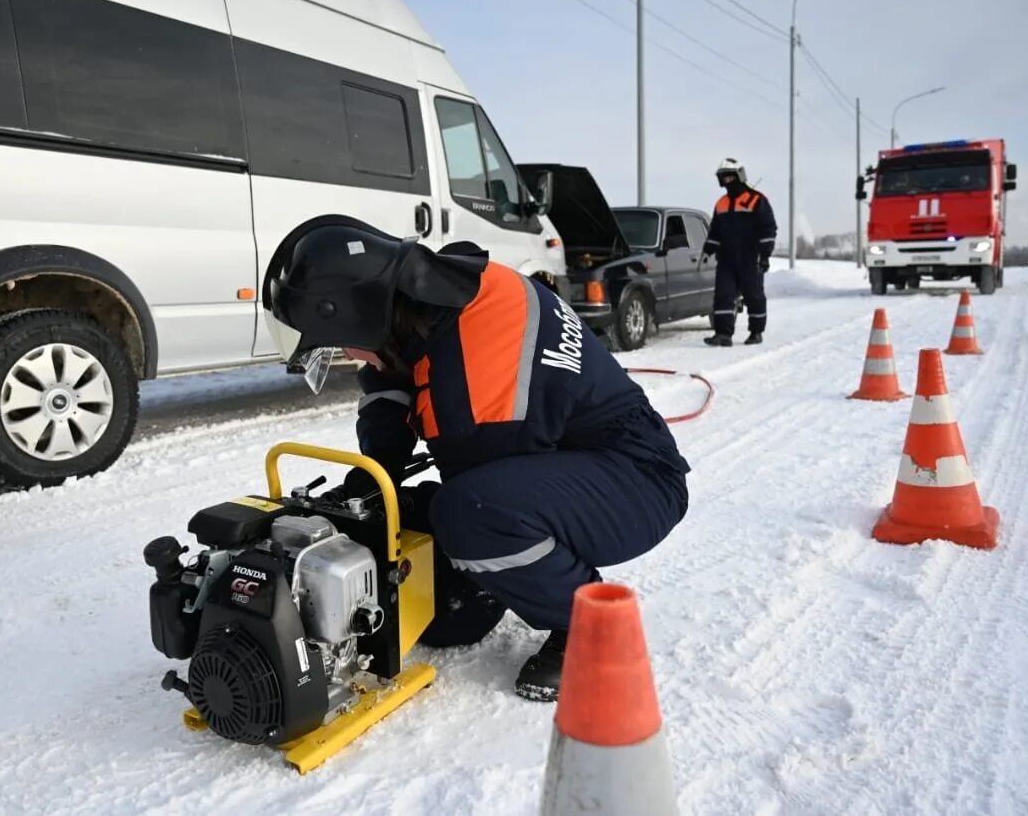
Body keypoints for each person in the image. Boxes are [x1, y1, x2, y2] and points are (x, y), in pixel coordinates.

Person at [262, 214, 691, 701]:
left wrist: (464, 567)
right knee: (437, 518)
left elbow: (483, 503)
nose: (353, 358)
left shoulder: (474, 383)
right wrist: (376, 473)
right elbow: (391, 381)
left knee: (467, 516)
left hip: (636, 485)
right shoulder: (439, 294)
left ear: (360, 315)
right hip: (586, 455)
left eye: (343, 346)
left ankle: (593, 626)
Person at [702, 158, 777, 346]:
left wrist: (765, 254)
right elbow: (715, 231)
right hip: (726, 258)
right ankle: (723, 334)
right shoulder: (721, 203)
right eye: (723, 178)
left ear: (739, 176)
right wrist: (708, 249)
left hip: (751, 257)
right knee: (723, 295)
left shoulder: (756, 200)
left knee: (754, 295)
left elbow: (768, 228)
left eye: (730, 177)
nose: (727, 181)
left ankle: (756, 332)